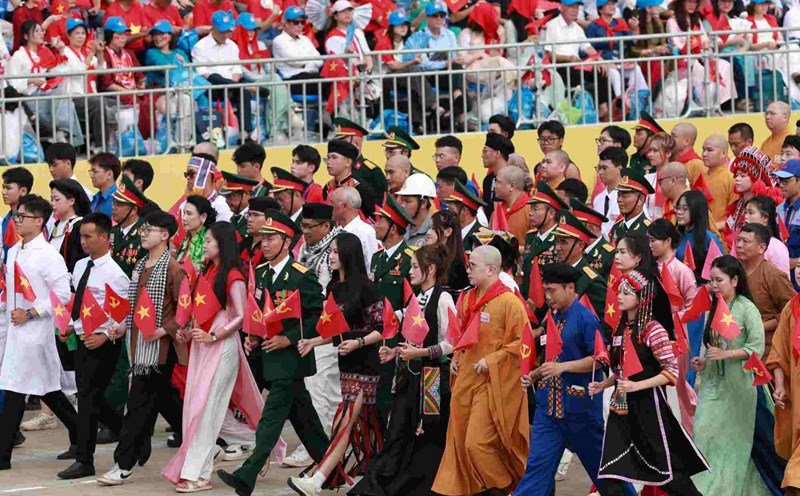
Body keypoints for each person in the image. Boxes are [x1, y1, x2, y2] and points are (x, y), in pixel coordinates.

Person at [217, 210, 328, 496]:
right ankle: (333, 468)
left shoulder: (302, 276)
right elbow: (258, 314)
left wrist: (288, 339)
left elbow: (318, 318)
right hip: (267, 357)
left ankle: (247, 474)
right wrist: (253, 337)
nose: (264, 244)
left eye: (271, 238)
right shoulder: (261, 274)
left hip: (291, 360)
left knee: (271, 418)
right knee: (307, 423)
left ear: (287, 241)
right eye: (262, 238)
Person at [515, 263, 634, 496]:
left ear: (570, 288)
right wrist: (535, 374)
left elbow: (601, 360)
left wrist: (563, 367)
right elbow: (552, 358)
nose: (548, 297)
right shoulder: (552, 315)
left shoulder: (586, 319)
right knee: (537, 469)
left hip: (580, 410)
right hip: (548, 410)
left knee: (605, 472)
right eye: (545, 291)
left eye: (552, 291)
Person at [591, 269, 709, 495]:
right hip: (622, 409)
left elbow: (671, 373)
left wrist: (636, 386)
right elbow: (623, 368)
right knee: (610, 469)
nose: (621, 297)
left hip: (648, 407)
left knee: (666, 471)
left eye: (627, 293)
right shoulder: (621, 327)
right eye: (620, 292)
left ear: (641, 298)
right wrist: (603, 385)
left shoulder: (654, 330)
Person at [162, 222, 261, 492]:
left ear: (223, 244)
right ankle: (256, 444)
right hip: (202, 347)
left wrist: (214, 336)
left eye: (208, 241)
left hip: (222, 348)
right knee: (195, 409)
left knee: (208, 411)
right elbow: (200, 310)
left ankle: (198, 473)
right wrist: (187, 331)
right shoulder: (207, 270)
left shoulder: (233, 276)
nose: (203, 245)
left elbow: (240, 317)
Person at [351, 244, 456, 496]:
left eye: (414, 267)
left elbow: (450, 342)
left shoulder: (443, 298)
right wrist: (394, 352)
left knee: (427, 434)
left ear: (430, 269)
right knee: (398, 429)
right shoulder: (415, 298)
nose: (409, 272)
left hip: (432, 379)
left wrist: (418, 353)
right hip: (409, 374)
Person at [286, 232, 384, 495]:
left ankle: (317, 480)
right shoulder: (333, 288)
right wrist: (312, 342)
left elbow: (380, 329)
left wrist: (357, 343)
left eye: (335, 253)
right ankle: (378, 476)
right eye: (330, 252)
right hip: (346, 363)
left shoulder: (366, 287)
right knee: (365, 428)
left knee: (345, 421)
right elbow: (333, 329)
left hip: (366, 365)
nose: (330, 257)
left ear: (348, 255)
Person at [97, 212, 187, 486]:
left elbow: (184, 306)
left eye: (150, 230)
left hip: (158, 349)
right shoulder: (139, 266)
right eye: (143, 229)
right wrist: (124, 326)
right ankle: (205, 440)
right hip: (138, 344)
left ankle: (123, 464)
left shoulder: (173, 268)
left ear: (165, 235)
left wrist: (165, 329)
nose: (143, 234)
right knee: (163, 400)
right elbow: (135, 307)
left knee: (137, 404)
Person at [432, 245, 529, 495]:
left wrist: (493, 359)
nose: (468, 270)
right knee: (461, 442)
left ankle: (506, 488)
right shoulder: (467, 297)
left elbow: (523, 342)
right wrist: (457, 354)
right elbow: (462, 334)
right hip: (466, 379)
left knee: (477, 443)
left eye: (472, 265)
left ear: (490, 269)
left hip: (493, 382)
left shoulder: (509, 302)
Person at [691, 255, 786, 495]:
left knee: (734, 442)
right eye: (711, 280)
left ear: (734, 280)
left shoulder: (747, 308)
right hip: (714, 385)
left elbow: (755, 348)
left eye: (719, 280)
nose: (714, 286)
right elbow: (711, 344)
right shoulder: (713, 308)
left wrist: (727, 354)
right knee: (704, 433)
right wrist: (702, 362)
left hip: (741, 386)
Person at [0, 194, 78, 469]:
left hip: (37, 332)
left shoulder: (48, 255)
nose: (17, 221)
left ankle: (3, 456)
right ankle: (81, 433)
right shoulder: (13, 251)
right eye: (16, 217)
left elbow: (63, 293)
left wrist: (32, 313)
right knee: (48, 390)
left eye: (21, 217)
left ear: (39, 221)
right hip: (15, 331)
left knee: (14, 389)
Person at [57, 213, 130, 480]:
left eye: (89, 236)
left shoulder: (116, 273)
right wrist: (69, 326)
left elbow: (123, 314)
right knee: (93, 398)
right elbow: (78, 300)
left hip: (103, 342)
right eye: (81, 237)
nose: (84, 242)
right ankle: (130, 434)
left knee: (86, 400)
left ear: (104, 238)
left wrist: (106, 336)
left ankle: (84, 460)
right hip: (82, 338)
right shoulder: (80, 266)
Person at [288, 203, 343, 468]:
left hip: (328, 323)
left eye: (311, 227)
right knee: (321, 386)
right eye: (303, 226)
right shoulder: (303, 249)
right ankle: (329, 444)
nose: (305, 232)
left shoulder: (336, 247)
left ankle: (318, 448)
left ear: (326, 226)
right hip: (309, 324)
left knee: (321, 386)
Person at [647, 218, 698, 430]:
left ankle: (686, 427)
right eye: (648, 241)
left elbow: (693, 303)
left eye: (653, 240)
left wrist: (675, 317)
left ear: (667, 241)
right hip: (650, 333)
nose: (650, 245)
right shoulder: (647, 268)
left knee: (675, 382)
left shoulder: (681, 270)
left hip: (676, 335)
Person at [6, 20, 84, 147]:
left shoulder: (44, 53)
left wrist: (61, 50)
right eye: (36, 31)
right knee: (65, 100)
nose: (41, 34)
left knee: (65, 97)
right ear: (26, 36)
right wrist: (31, 80)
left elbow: (58, 70)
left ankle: (61, 133)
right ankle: (66, 135)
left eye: (41, 30)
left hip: (44, 95)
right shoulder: (18, 56)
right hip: (28, 98)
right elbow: (12, 84)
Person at [541, 0, 611, 119]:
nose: (575, 10)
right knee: (576, 73)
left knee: (601, 71)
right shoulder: (552, 25)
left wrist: (599, 59)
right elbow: (549, 54)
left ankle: (602, 109)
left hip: (576, 64)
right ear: (562, 7)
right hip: (559, 65)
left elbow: (587, 47)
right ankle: (577, 110)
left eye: (577, 8)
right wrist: (568, 58)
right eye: (571, 7)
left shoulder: (577, 28)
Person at [734, 223, 795, 359]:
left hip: (766, 349)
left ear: (761, 248)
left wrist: (759, 327)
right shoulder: (734, 273)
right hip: (736, 346)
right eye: (738, 240)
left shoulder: (773, 275)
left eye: (746, 242)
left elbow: (792, 311)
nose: (739, 245)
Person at [52, 18, 104, 150]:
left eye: (83, 33)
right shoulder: (65, 52)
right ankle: (100, 145)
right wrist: (90, 57)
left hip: (90, 95)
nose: (81, 36)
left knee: (118, 103)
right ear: (68, 36)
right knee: (98, 103)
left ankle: (113, 143)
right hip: (73, 97)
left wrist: (100, 53)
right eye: (77, 33)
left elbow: (101, 70)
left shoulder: (86, 51)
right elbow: (75, 72)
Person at [767, 294, 800, 495]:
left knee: (793, 477)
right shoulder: (792, 307)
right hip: (797, 394)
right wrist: (779, 385)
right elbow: (778, 351)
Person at [521, 182, 568, 303]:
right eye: (531, 208)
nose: (530, 213)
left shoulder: (561, 239)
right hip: (528, 301)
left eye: (536, 209)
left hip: (549, 303)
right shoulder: (530, 237)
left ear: (551, 213)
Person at [553, 210, 607, 317]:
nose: (557, 248)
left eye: (563, 242)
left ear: (580, 246)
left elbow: (598, 323)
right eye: (557, 241)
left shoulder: (592, 282)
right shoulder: (558, 273)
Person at [726, 146, 781, 245]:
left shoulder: (766, 205)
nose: (737, 179)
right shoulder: (738, 204)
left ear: (756, 178)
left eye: (742, 176)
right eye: (736, 175)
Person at [270, 7, 325, 96]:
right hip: (292, 80)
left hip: (311, 76)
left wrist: (305, 63)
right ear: (286, 23)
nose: (300, 26)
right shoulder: (279, 40)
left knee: (333, 78)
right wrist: (310, 61)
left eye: (302, 22)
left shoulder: (305, 39)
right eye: (296, 22)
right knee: (329, 83)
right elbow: (296, 62)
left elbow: (319, 60)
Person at [332, 118, 387, 201]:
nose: (339, 148)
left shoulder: (371, 171)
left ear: (356, 144)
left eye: (343, 143)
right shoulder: (340, 167)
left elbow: (381, 202)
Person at [675, 190, 725, 280]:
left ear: (696, 210)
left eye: (685, 209)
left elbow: (722, 272)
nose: (679, 212)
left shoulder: (710, 238)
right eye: (678, 208)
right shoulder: (677, 235)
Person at [323, 140, 377, 219]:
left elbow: (371, 219)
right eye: (328, 158)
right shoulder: (327, 188)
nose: (328, 162)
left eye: (334, 157)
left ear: (348, 162)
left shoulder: (360, 188)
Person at [737, 196, 791, 275]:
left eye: (751, 213)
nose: (746, 217)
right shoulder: (739, 241)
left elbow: (782, 282)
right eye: (745, 212)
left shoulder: (776, 247)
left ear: (765, 218)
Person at [331, 187, 379, 272]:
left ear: (344, 206)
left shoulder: (366, 233)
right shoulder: (335, 231)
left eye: (332, 203)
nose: (330, 207)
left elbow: (372, 267)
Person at [110, 175, 148, 276]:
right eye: (113, 202)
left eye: (119, 204)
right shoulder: (112, 232)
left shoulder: (146, 234)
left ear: (133, 210)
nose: (113, 207)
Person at [49, 178, 90, 272]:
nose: (52, 203)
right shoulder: (56, 224)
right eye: (51, 199)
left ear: (71, 201)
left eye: (57, 199)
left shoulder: (79, 226)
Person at [426, 210, 469, 292]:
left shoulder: (456, 264)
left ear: (448, 231)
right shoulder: (427, 256)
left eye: (433, 229)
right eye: (428, 228)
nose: (428, 233)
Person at [610, 169, 654, 245]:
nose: (619, 200)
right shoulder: (616, 227)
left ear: (640, 200)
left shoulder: (649, 230)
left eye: (625, 196)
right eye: (618, 195)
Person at [701, 134, 735, 230]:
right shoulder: (701, 176)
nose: (704, 154)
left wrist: (714, 227)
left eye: (709, 150)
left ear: (723, 153)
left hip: (721, 236)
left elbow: (736, 216)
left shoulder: (730, 179)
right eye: (703, 149)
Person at [491, 166, 531, 248]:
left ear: (512, 186)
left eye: (498, 182)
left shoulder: (530, 210)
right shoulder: (496, 212)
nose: (494, 186)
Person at [572, 199, 615, 275]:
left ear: (590, 228)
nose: (574, 233)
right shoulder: (576, 249)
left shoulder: (609, 255)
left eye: (577, 228)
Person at [445, 179, 487, 254]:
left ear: (465, 212)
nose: (448, 213)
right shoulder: (449, 232)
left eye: (451, 209)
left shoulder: (483, 237)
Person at [176, 195, 216, 271]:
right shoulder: (186, 238)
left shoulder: (208, 242)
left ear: (203, 217)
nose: (184, 218)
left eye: (189, 214)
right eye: (184, 213)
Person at [396, 174, 437, 248]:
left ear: (423, 203)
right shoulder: (400, 229)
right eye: (402, 200)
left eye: (407, 201)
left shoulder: (435, 232)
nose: (402, 205)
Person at [593, 147, 627, 236]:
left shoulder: (630, 197)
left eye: (604, 168)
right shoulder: (598, 199)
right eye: (599, 168)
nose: (600, 172)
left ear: (619, 168)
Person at [1, 167, 34, 260]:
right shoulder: (6, 219)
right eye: (3, 187)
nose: (3, 192)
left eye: (8, 188)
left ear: (23, 191)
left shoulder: (32, 220)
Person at [481, 132, 515, 219]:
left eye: (485, 151)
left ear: (497, 153)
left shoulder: (514, 178)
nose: (482, 156)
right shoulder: (488, 180)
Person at [220, 171, 259, 238]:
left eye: (230, 196)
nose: (226, 201)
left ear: (246, 194)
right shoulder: (234, 218)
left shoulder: (255, 219)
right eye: (226, 197)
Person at [88, 153, 121, 218]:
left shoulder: (118, 199)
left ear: (109, 174)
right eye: (91, 171)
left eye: (95, 171)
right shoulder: (95, 198)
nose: (91, 176)